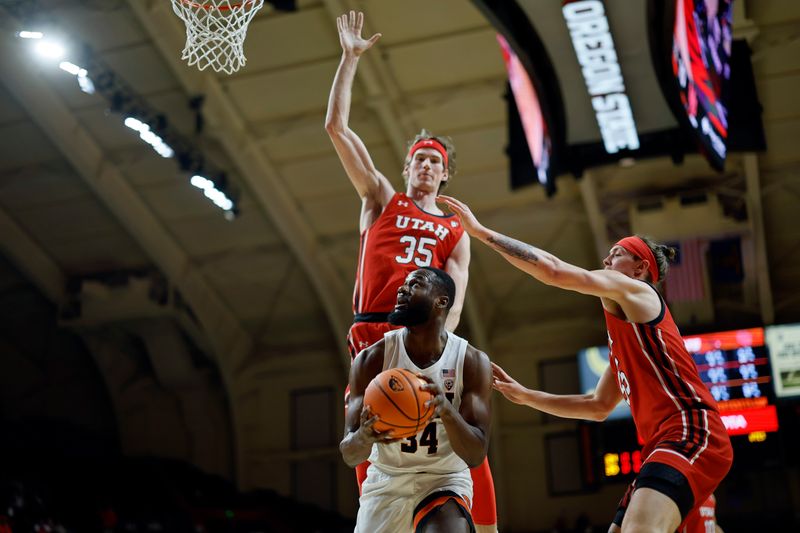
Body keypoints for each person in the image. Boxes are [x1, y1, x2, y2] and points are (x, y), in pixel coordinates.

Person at [439, 195, 734, 533]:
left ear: (640, 268)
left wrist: (481, 233)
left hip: (691, 430)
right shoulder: (626, 338)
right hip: (661, 444)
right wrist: (526, 395)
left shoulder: (639, 293)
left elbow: (553, 271)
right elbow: (597, 406)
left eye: (618, 253)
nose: (607, 258)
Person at [325, 11, 498, 531]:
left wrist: (451, 354)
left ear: (445, 174)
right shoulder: (381, 198)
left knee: (461, 449)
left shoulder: (455, 231)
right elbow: (336, 127)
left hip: (427, 336)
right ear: (406, 169)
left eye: (433, 161)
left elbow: (458, 301)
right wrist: (349, 60)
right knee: (377, 440)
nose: (425, 166)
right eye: (418, 158)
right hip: (374, 328)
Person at [340, 267, 492, 532]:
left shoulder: (471, 361)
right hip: (387, 480)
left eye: (415, 284)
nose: (402, 289)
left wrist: (446, 411)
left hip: (444, 478)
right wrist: (363, 437)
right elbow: (350, 455)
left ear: (441, 301)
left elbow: (476, 454)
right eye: (403, 284)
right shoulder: (372, 359)